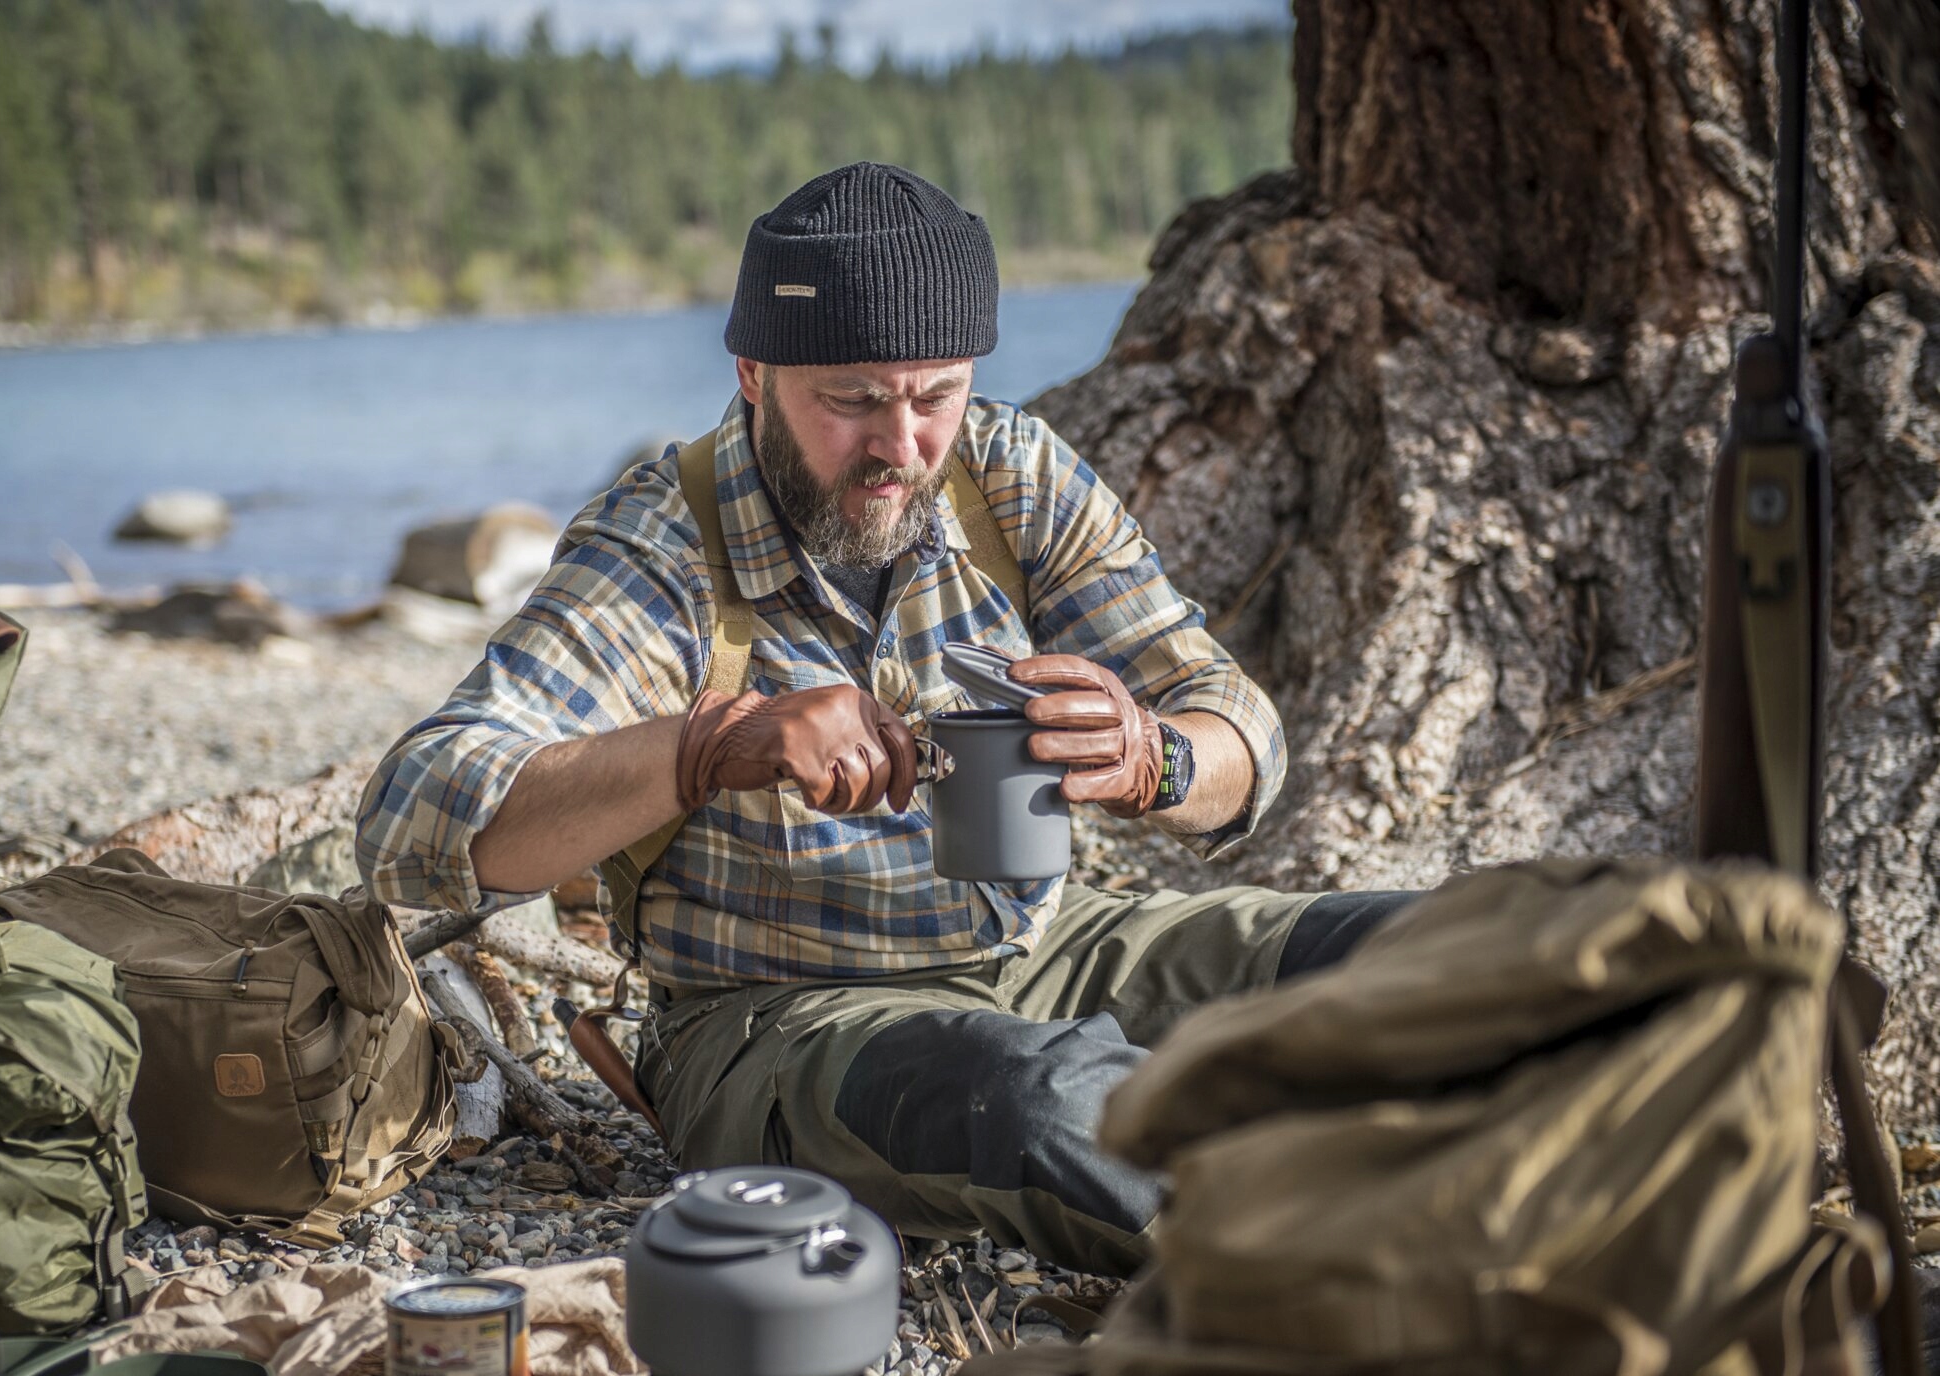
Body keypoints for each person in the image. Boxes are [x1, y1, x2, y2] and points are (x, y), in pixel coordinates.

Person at [358, 162, 1411, 1275]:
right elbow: (413, 820)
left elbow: (1244, 729)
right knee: (1043, 1102)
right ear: (754, 374)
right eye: (852, 399)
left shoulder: (1011, 477)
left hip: (1047, 945)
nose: (901, 448)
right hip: (774, 1023)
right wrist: (711, 747)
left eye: (935, 395)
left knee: (1419, 951)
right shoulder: (660, 545)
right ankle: (1403, 1279)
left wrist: (1155, 758)